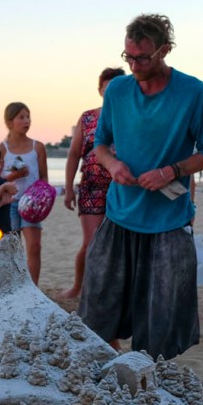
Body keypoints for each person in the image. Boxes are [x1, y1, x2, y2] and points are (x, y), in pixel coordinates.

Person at [78, 13, 203, 360]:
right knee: (97, 305)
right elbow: (100, 143)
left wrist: (171, 171)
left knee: (162, 319)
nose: (134, 65)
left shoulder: (192, 91)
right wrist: (113, 165)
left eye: (143, 57)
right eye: (128, 57)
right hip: (120, 214)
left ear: (165, 50)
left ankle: (151, 382)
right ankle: (105, 369)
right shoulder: (118, 89)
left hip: (169, 220)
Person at [60, 67, 124, 299]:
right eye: (107, 89)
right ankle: (79, 286)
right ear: (100, 90)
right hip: (91, 187)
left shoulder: (131, 116)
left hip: (122, 188)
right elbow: (74, 154)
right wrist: (68, 189)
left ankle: (108, 290)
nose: (111, 94)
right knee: (91, 242)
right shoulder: (87, 117)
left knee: (117, 244)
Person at [0, 102, 48, 285]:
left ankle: (33, 289)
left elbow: (44, 178)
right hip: (9, 202)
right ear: (9, 121)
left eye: (28, 116)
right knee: (11, 247)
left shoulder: (38, 147)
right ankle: (12, 287)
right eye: (21, 117)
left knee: (34, 247)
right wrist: (15, 175)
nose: (26, 121)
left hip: (31, 203)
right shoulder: (2, 148)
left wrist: (42, 198)